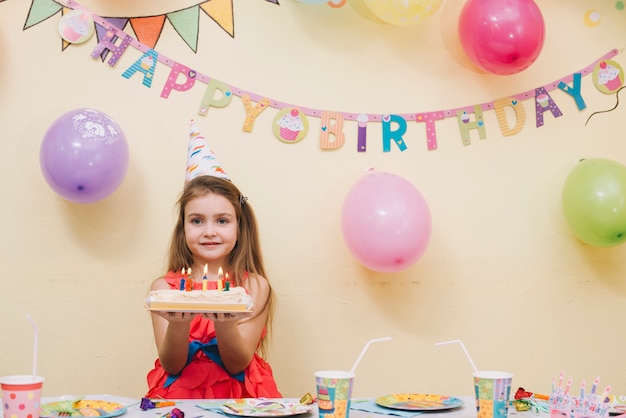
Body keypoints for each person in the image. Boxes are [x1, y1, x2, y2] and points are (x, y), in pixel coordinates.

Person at [145, 175, 281, 399]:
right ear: (183, 228)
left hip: (239, 396)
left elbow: (237, 364)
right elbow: (171, 366)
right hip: (181, 397)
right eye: (197, 221)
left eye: (222, 220)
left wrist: (225, 325)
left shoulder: (254, 286)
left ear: (240, 226)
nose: (209, 231)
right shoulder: (164, 289)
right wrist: (179, 325)